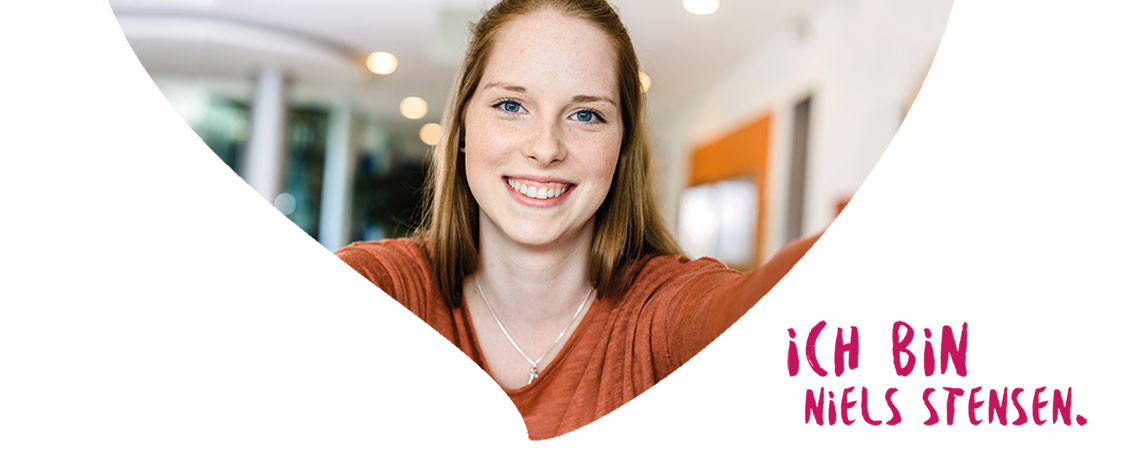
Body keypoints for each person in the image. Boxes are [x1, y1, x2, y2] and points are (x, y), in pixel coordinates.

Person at [336, 0, 820, 440]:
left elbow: (751, 311)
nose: (545, 148)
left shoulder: (660, 313)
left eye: (586, 115)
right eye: (511, 105)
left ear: (622, 148)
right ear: (463, 127)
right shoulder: (389, 291)